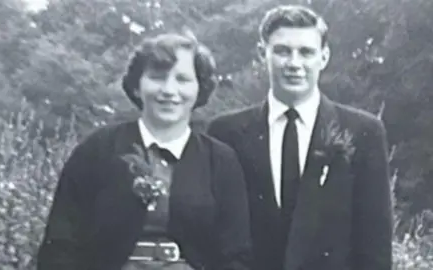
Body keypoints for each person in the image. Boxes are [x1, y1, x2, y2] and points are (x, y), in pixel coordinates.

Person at [36, 32, 252, 270]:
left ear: (199, 89)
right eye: (157, 78)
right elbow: (60, 247)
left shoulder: (221, 161)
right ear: (137, 86)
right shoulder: (97, 150)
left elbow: (237, 256)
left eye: (182, 79)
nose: (169, 90)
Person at [207, 5, 393, 270]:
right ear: (263, 54)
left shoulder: (364, 132)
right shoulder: (225, 132)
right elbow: (216, 236)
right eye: (282, 51)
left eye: (306, 52)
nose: (294, 63)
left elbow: (375, 244)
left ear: (324, 57)